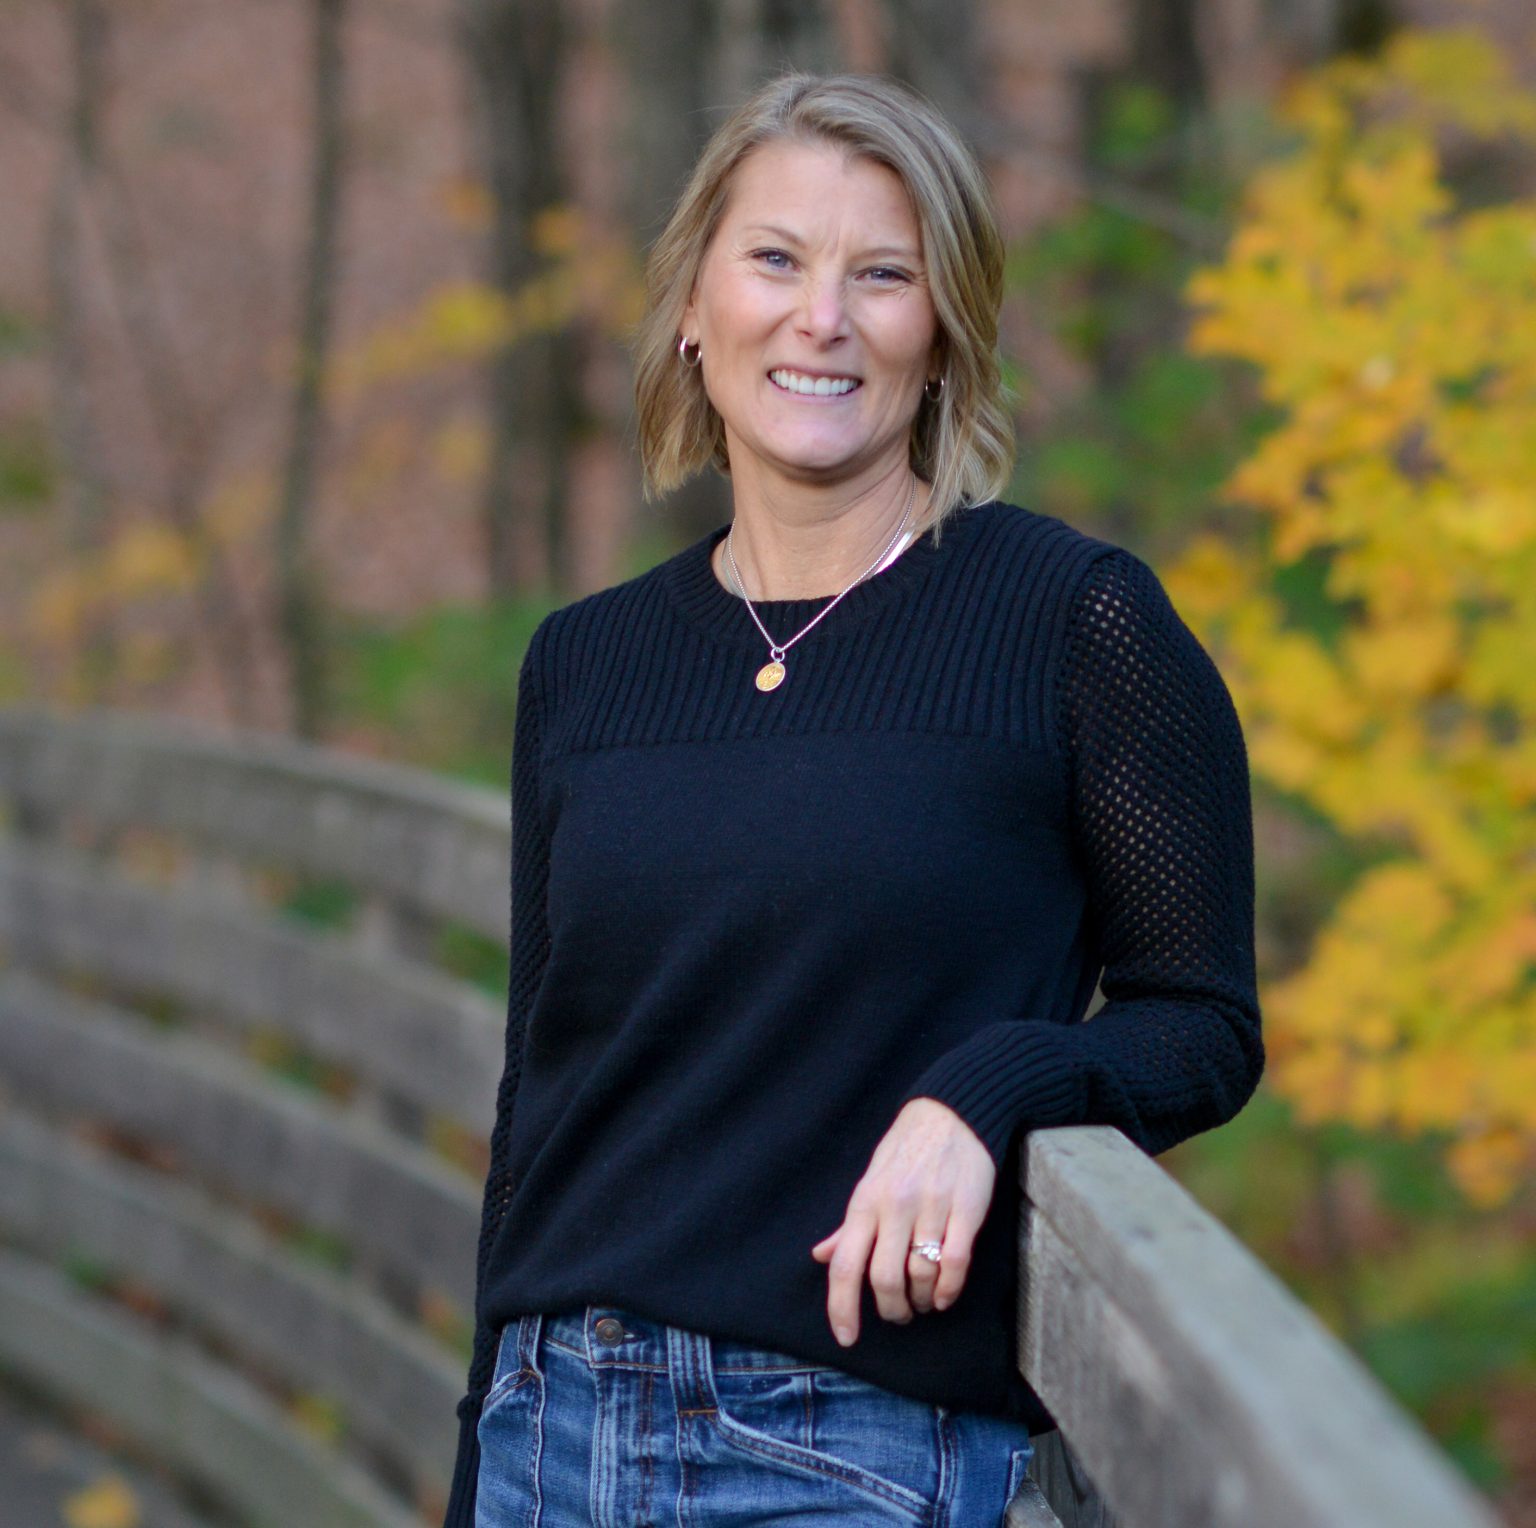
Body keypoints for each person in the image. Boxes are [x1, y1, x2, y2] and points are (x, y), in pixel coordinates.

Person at [442, 70, 1263, 1528]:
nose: (821, 319)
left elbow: (1199, 1021)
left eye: (882, 275)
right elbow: (542, 1090)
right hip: (552, 1426)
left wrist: (991, 1089)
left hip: (850, 1449)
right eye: (776, 260)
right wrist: (476, 1446)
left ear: (941, 332)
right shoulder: (585, 664)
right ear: (694, 306)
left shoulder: (1073, 622)